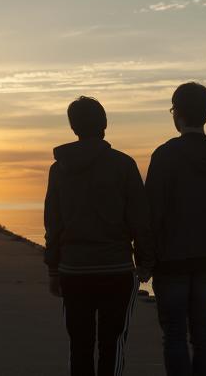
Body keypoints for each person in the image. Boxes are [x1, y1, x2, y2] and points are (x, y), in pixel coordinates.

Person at [44, 96, 154, 376]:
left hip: (73, 268)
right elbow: (139, 218)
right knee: (113, 343)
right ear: (104, 125)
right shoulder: (124, 165)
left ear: (73, 127)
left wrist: (53, 269)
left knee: (79, 344)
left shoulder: (59, 169)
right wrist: (145, 260)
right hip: (116, 268)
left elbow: (53, 223)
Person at [145, 82, 206, 376]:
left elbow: (152, 213)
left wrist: (145, 258)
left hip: (171, 260)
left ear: (178, 114)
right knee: (203, 333)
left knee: (174, 334)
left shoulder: (165, 155)